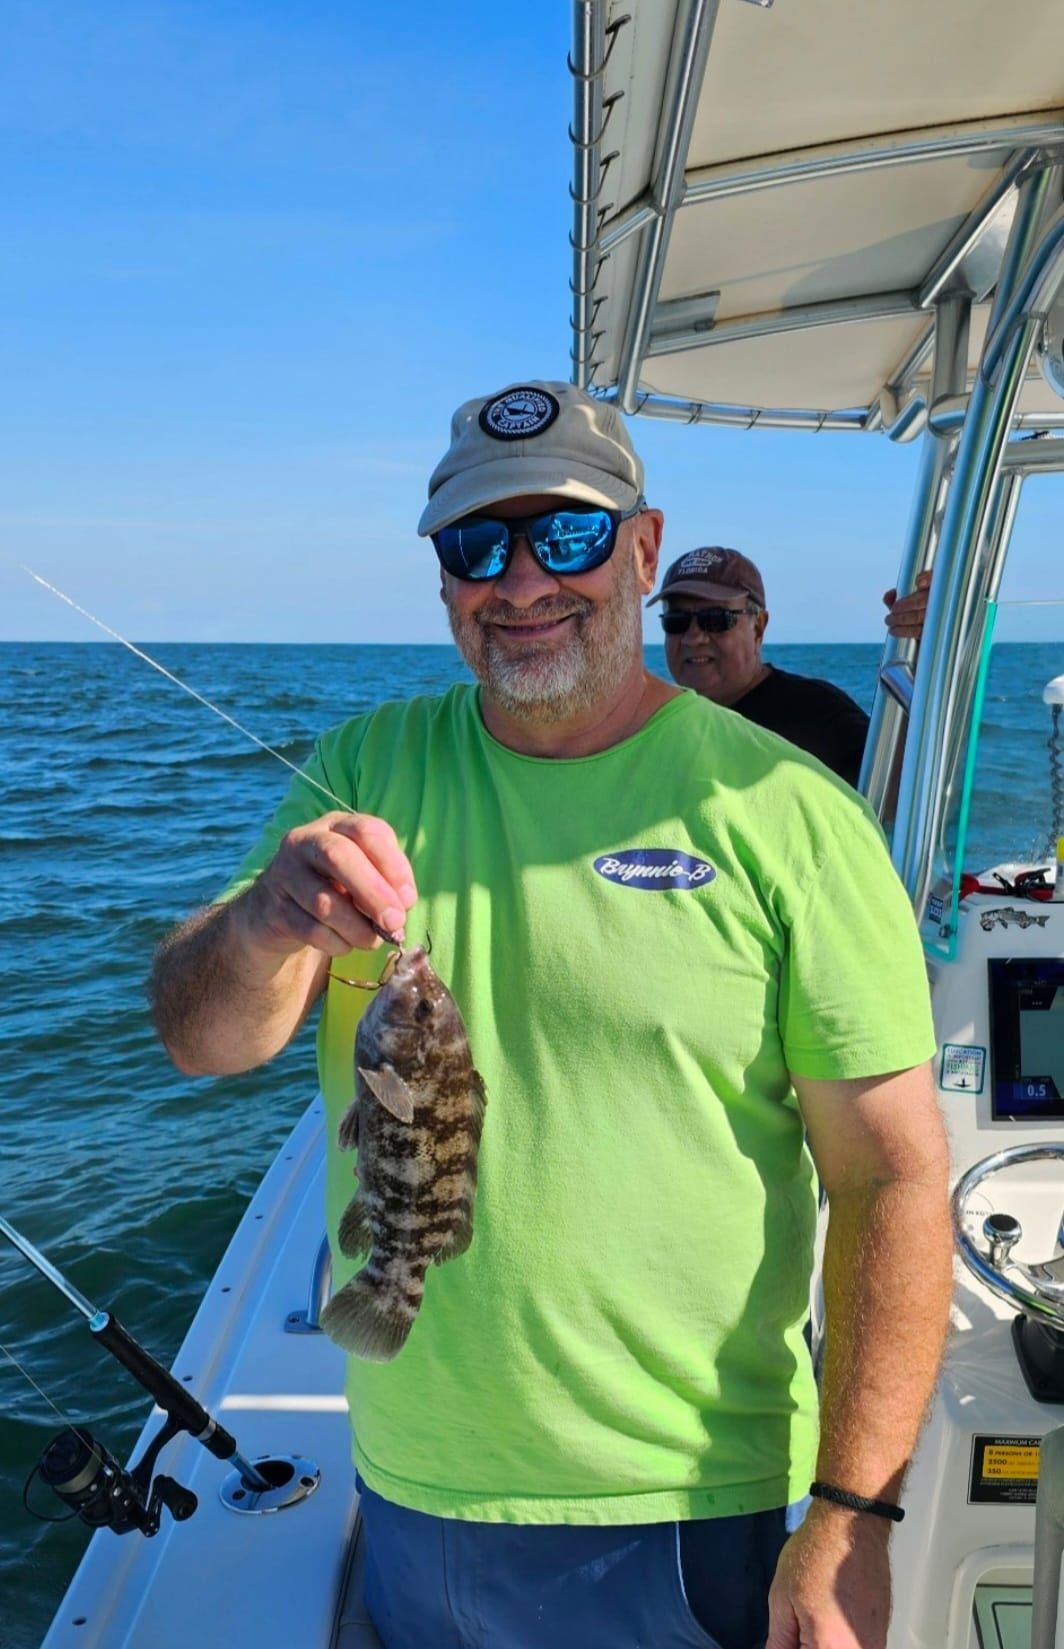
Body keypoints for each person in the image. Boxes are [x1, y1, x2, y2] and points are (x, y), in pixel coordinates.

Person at [151, 380, 951, 1649]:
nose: (520, 580)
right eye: (477, 544)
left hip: (693, 1500)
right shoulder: (364, 772)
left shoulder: (791, 814)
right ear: (441, 578)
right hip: (418, 1485)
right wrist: (262, 921)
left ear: (640, 547)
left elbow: (893, 1178)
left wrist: (851, 1513)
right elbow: (204, 1042)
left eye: (565, 535)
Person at [651, 549, 932, 787]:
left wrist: (929, 648)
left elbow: (898, 795)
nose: (693, 637)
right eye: (676, 621)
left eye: (715, 619)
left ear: (758, 627)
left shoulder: (818, 714)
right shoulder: (656, 726)